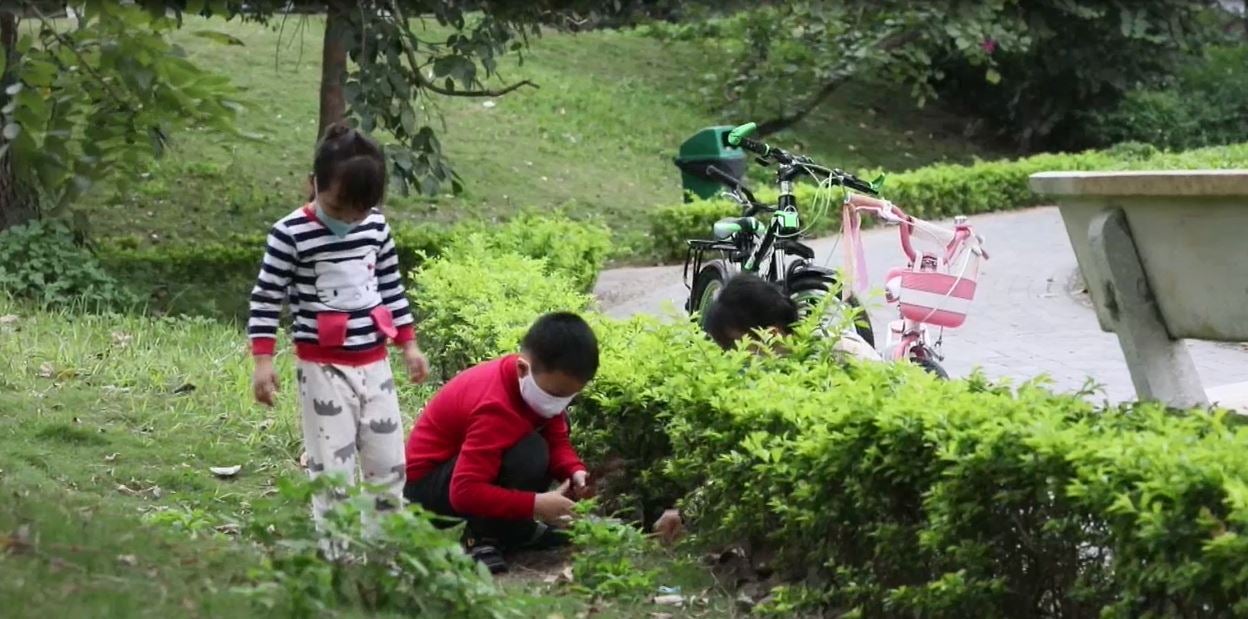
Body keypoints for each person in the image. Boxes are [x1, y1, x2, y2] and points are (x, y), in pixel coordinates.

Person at [248, 122, 430, 547]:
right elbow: (267, 298)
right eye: (338, 206)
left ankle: (384, 557)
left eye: (360, 210)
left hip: (375, 364)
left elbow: (391, 288)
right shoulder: (290, 234)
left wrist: (408, 344)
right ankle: (340, 561)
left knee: (389, 465)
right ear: (312, 183)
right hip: (322, 369)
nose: (349, 218)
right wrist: (262, 361)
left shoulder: (376, 228)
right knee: (333, 471)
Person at [404, 312, 598, 574]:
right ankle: (481, 537)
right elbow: (464, 492)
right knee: (528, 450)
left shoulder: (534, 387)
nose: (558, 403)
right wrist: (535, 504)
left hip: (461, 473)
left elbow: (556, 439)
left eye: (568, 396)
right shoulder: (494, 407)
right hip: (427, 492)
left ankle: (515, 530)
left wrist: (574, 471)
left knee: (541, 438)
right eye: (555, 394)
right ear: (523, 369)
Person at [702, 273, 880, 360]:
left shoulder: (839, 353)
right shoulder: (781, 363)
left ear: (772, 335)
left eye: (737, 347)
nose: (732, 358)